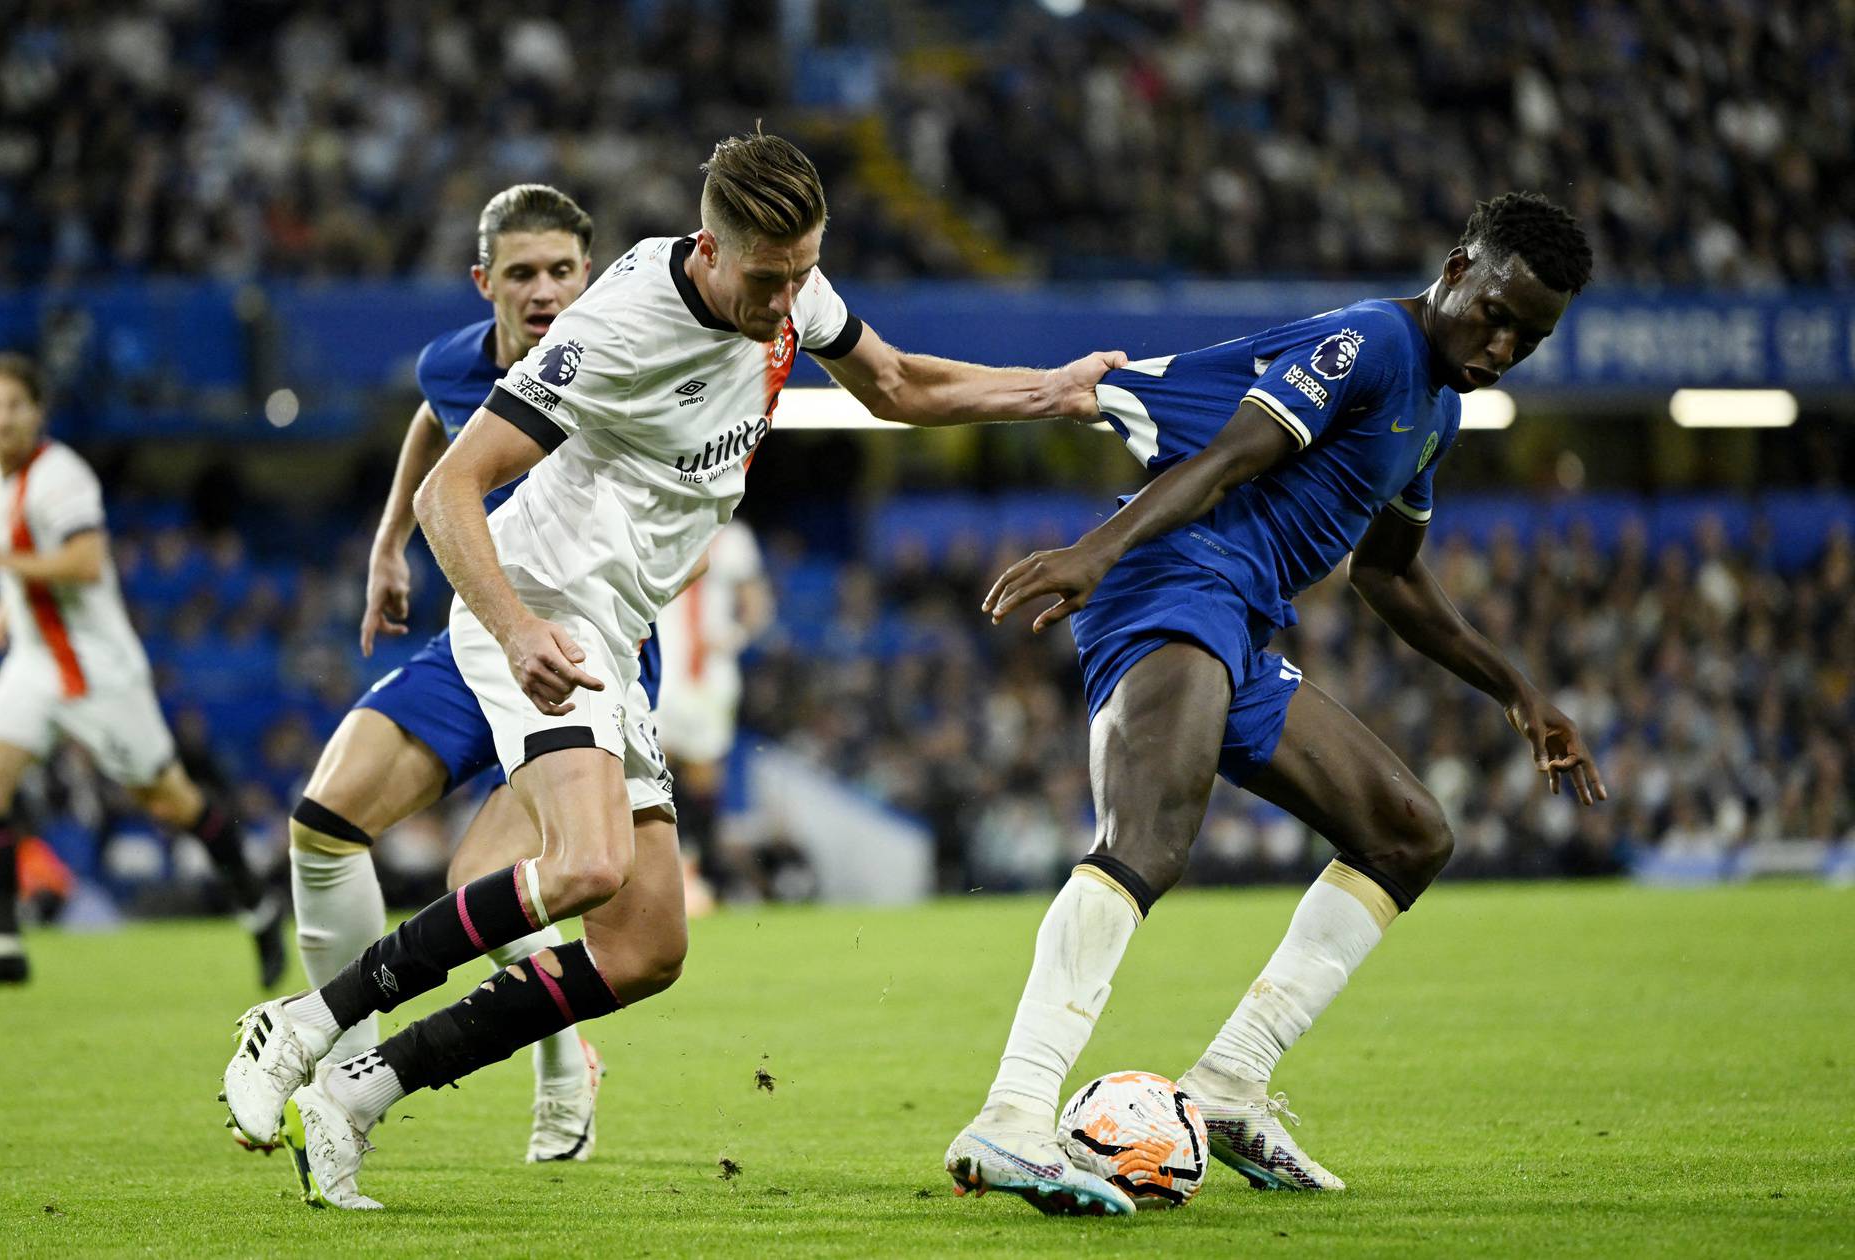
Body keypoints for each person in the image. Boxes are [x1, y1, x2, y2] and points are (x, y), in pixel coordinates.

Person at [223, 127, 1124, 1210]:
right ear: (709, 247)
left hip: (618, 629)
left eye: (803, 274)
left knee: (645, 945)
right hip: (542, 600)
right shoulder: (616, 329)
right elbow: (444, 492)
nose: (787, 301)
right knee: (586, 867)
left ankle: (358, 1094)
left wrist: (1050, 391)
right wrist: (514, 631)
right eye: (767, 278)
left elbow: (892, 382)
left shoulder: (792, 284)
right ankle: (309, 1021)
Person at [947, 193, 1606, 1215]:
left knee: (1407, 834)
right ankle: (1014, 1113)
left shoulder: (1437, 409)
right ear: (1457, 265)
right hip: (1170, 575)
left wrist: (1519, 692)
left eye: (1534, 334)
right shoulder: (1370, 345)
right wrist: (1096, 554)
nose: (1507, 343)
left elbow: (1390, 576)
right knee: (1148, 839)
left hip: (1237, 616)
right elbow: (1226, 462)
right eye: (1498, 312)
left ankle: (1227, 1086)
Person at [273, 184, 658, 1167]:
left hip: (582, 652)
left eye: (563, 271)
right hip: (482, 632)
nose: (543, 291)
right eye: (522, 273)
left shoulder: (626, 364)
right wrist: (388, 543)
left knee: (486, 885)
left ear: (593, 274)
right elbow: (432, 416)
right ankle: (338, 1059)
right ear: (484, 281)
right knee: (323, 825)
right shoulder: (454, 362)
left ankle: (565, 1062)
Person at [0, 353, 283, 996]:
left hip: (99, 672)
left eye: (15, 404)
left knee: (169, 800)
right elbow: (27, 558)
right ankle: (4, 946)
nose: (3, 418)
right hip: (34, 661)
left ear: (38, 412)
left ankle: (258, 909)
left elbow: (83, 560)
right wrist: (3, 602)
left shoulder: (61, 476)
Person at [653, 516, 773, 905]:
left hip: (710, 676)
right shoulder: (657, 520)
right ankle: (661, 875)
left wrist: (735, 636)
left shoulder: (733, 536)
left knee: (704, 777)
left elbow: (757, 602)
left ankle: (698, 875)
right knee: (653, 772)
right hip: (661, 670)